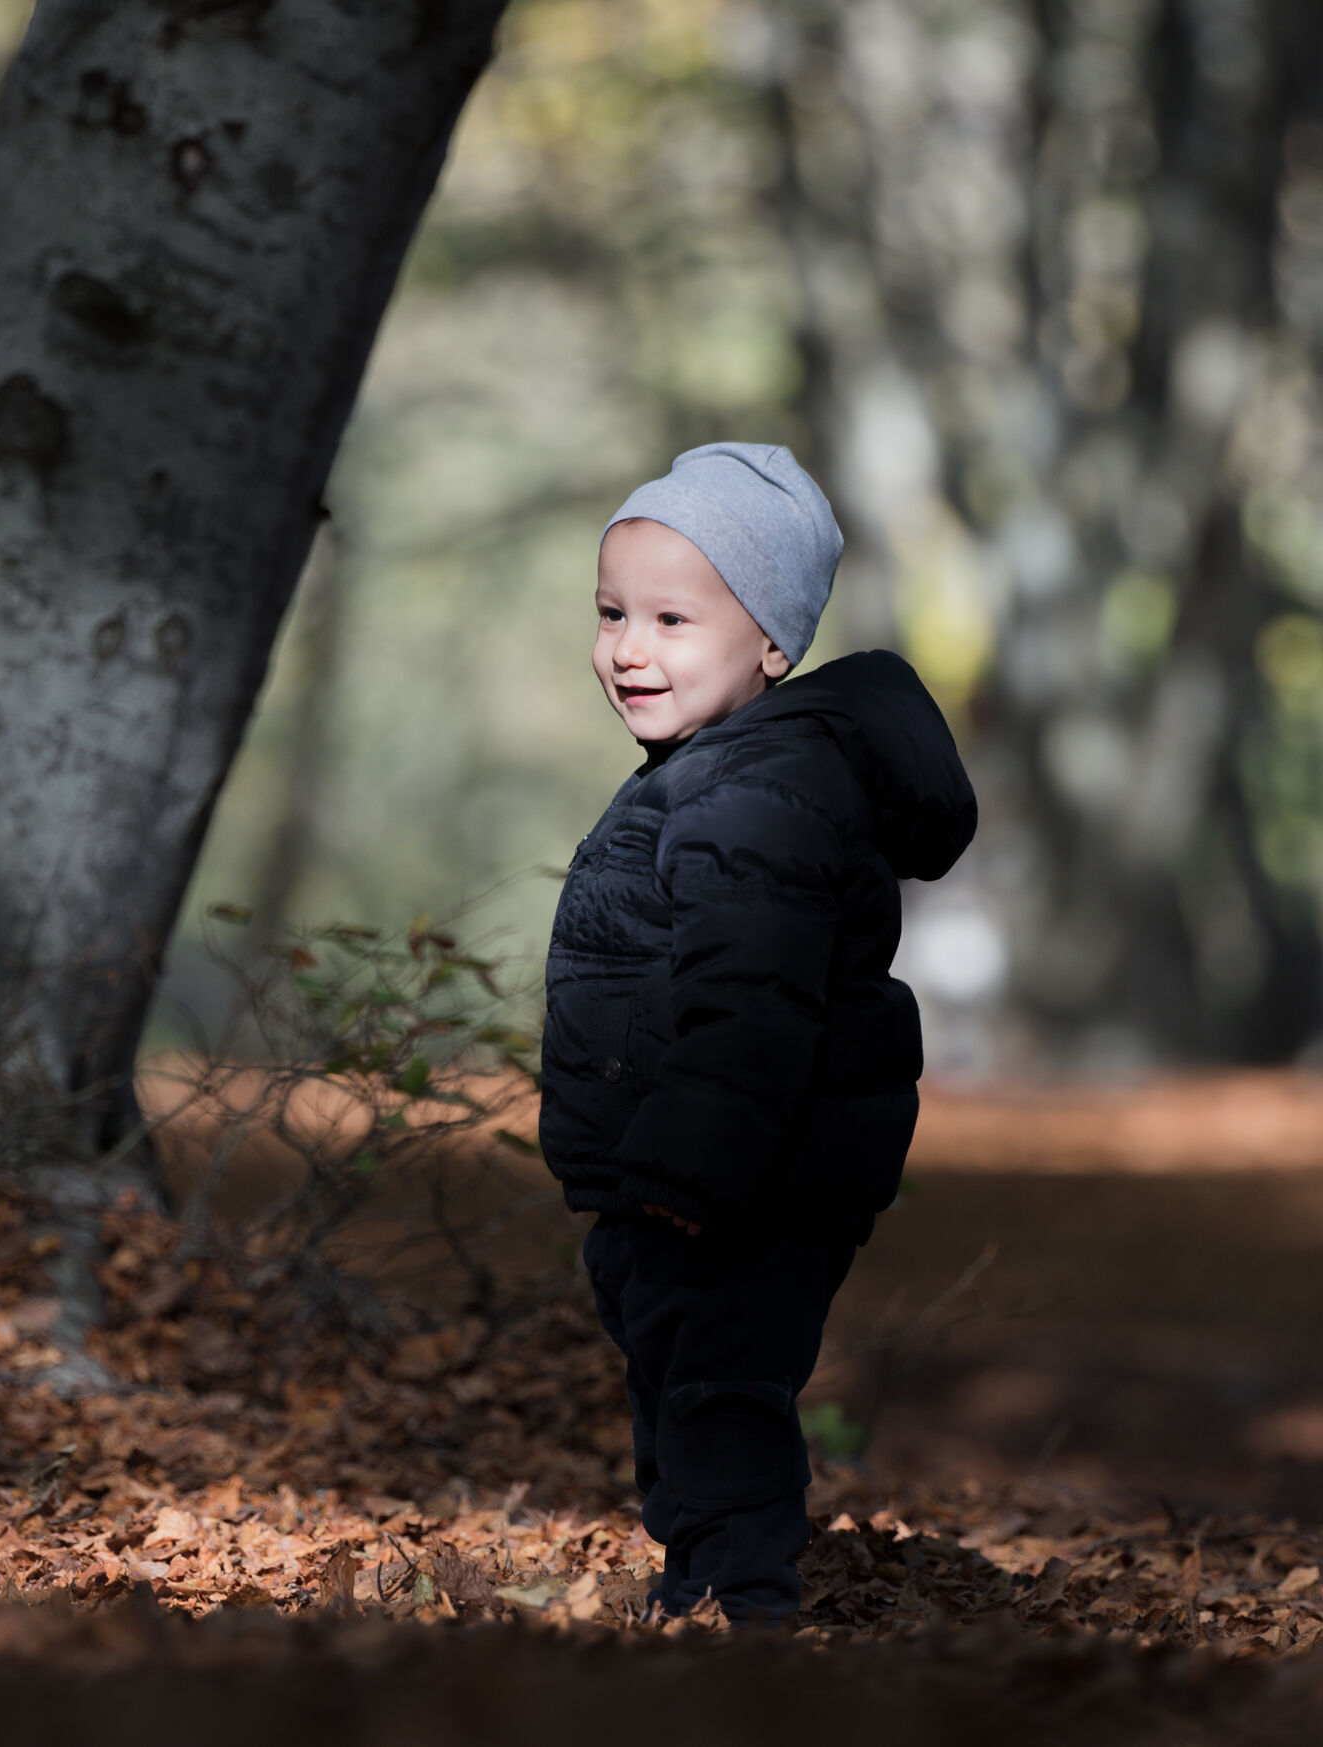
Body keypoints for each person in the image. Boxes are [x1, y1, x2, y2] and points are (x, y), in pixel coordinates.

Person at [540, 442, 978, 1624]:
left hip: (737, 1176)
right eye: (613, 612)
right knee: (681, 1378)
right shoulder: (720, 772)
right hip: (685, 1172)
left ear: (771, 645)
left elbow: (756, 996)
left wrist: (692, 1167)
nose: (631, 647)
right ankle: (699, 1583)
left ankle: (745, 1605)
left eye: (674, 618)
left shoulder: (757, 789)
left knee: (719, 1383)